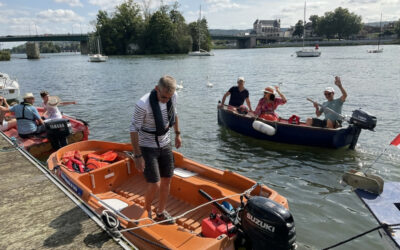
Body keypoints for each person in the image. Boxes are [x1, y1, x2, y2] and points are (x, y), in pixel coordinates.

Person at [130, 75, 182, 224]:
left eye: (169, 97)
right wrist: (137, 155)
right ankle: (147, 210)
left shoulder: (173, 96)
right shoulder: (143, 104)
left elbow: (174, 114)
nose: (166, 100)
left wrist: (178, 134)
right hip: (147, 146)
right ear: (156, 89)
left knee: (167, 179)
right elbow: (133, 129)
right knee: (155, 183)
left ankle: (160, 212)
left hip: (165, 143)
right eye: (164, 97)